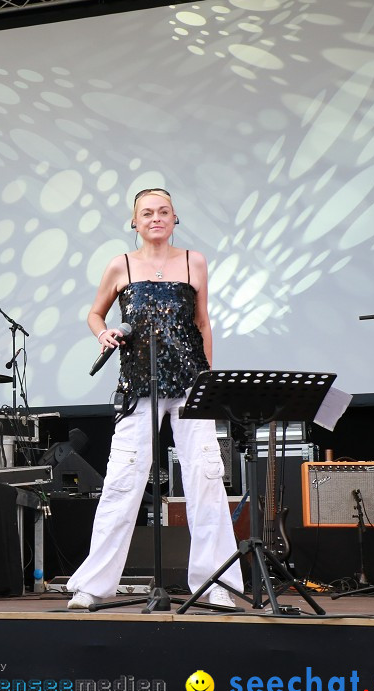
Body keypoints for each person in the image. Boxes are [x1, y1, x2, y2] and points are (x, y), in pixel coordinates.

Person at [66, 188, 243, 610]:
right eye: (147, 212)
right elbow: (95, 313)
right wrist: (101, 332)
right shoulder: (120, 265)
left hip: (189, 385)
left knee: (205, 479)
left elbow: (203, 323)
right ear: (134, 221)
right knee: (122, 482)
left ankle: (217, 582)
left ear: (174, 217)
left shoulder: (193, 261)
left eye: (163, 211)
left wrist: (209, 381)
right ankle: (93, 584)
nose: (155, 218)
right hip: (138, 386)